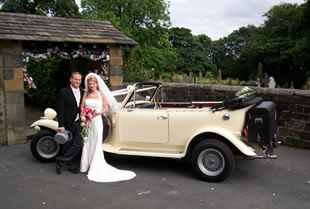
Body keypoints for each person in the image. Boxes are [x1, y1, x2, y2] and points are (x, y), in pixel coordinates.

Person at [80, 72, 136, 182]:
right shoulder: (86, 94)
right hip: (87, 121)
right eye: (90, 84)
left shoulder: (101, 95)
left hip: (96, 121)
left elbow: (105, 108)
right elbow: (82, 107)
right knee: (86, 141)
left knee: (96, 142)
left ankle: (95, 165)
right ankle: (85, 165)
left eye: (93, 84)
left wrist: (96, 114)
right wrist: (83, 115)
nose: (91, 86)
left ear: (96, 84)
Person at [55, 72, 84, 174]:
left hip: (79, 122)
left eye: (79, 80)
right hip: (67, 122)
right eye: (76, 79)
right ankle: (70, 165)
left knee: (78, 144)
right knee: (67, 145)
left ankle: (60, 160)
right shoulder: (63, 92)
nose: (78, 81)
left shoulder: (82, 91)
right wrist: (61, 125)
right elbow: (60, 110)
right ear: (71, 79)